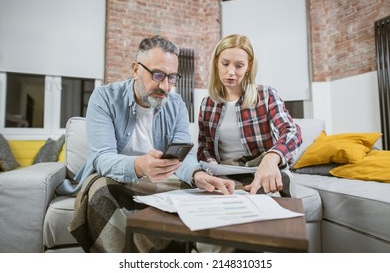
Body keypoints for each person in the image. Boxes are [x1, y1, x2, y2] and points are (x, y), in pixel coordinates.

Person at [58, 35, 235, 252]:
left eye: (172, 78)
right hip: (117, 181)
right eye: (158, 75)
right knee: (100, 190)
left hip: (160, 181)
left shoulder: (177, 104)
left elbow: (183, 156)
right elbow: (102, 157)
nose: (165, 86)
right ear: (135, 69)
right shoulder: (104, 97)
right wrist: (139, 166)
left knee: (207, 190)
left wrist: (196, 174)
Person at [197, 34, 302, 197]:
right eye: (225, 64)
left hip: (260, 168)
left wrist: (272, 158)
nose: (231, 72)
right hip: (225, 173)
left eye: (239, 66)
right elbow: (204, 148)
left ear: (249, 66)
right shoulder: (207, 104)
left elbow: (292, 131)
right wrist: (212, 167)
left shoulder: (266, 95)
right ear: (217, 62)